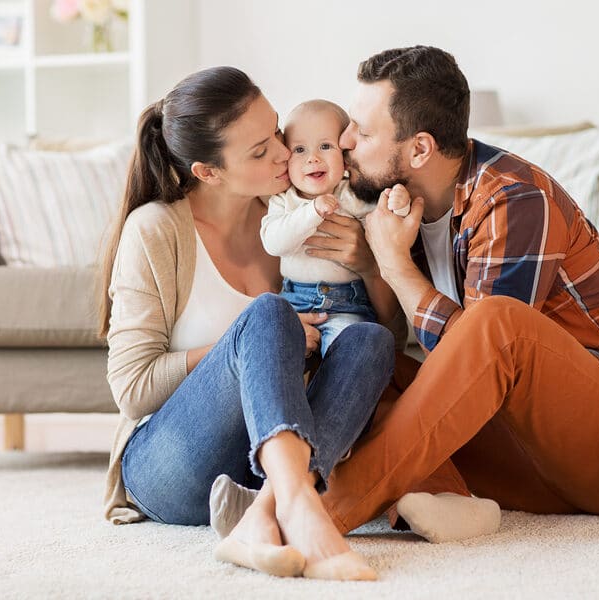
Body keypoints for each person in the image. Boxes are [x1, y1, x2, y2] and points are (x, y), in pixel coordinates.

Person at [308, 45, 599, 536]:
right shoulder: (395, 209)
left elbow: (486, 354)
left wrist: (394, 265)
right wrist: (374, 264)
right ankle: (446, 499)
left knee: (499, 322)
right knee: (362, 357)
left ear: (420, 149)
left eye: (362, 132)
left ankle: (315, 515)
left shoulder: (514, 196)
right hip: (526, 463)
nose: (343, 141)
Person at [96, 66, 402, 581]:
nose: (286, 154)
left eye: (277, 132)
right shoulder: (155, 230)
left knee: (369, 340)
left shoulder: (297, 216)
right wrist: (244, 346)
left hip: (258, 471)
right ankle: (301, 507)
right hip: (171, 469)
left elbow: (391, 338)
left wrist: (370, 267)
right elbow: (132, 388)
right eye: (260, 152)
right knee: (268, 314)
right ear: (208, 172)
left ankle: (265, 512)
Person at [260, 99, 411, 356]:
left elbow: (387, 224)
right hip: (294, 302)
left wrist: (399, 205)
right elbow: (274, 244)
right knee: (276, 350)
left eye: (326, 146)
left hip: (347, 305)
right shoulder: (283, 201)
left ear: (345, 157)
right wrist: (311, 211)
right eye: (299, 149)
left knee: (350, 348)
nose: (313, 158)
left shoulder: (351, 195)